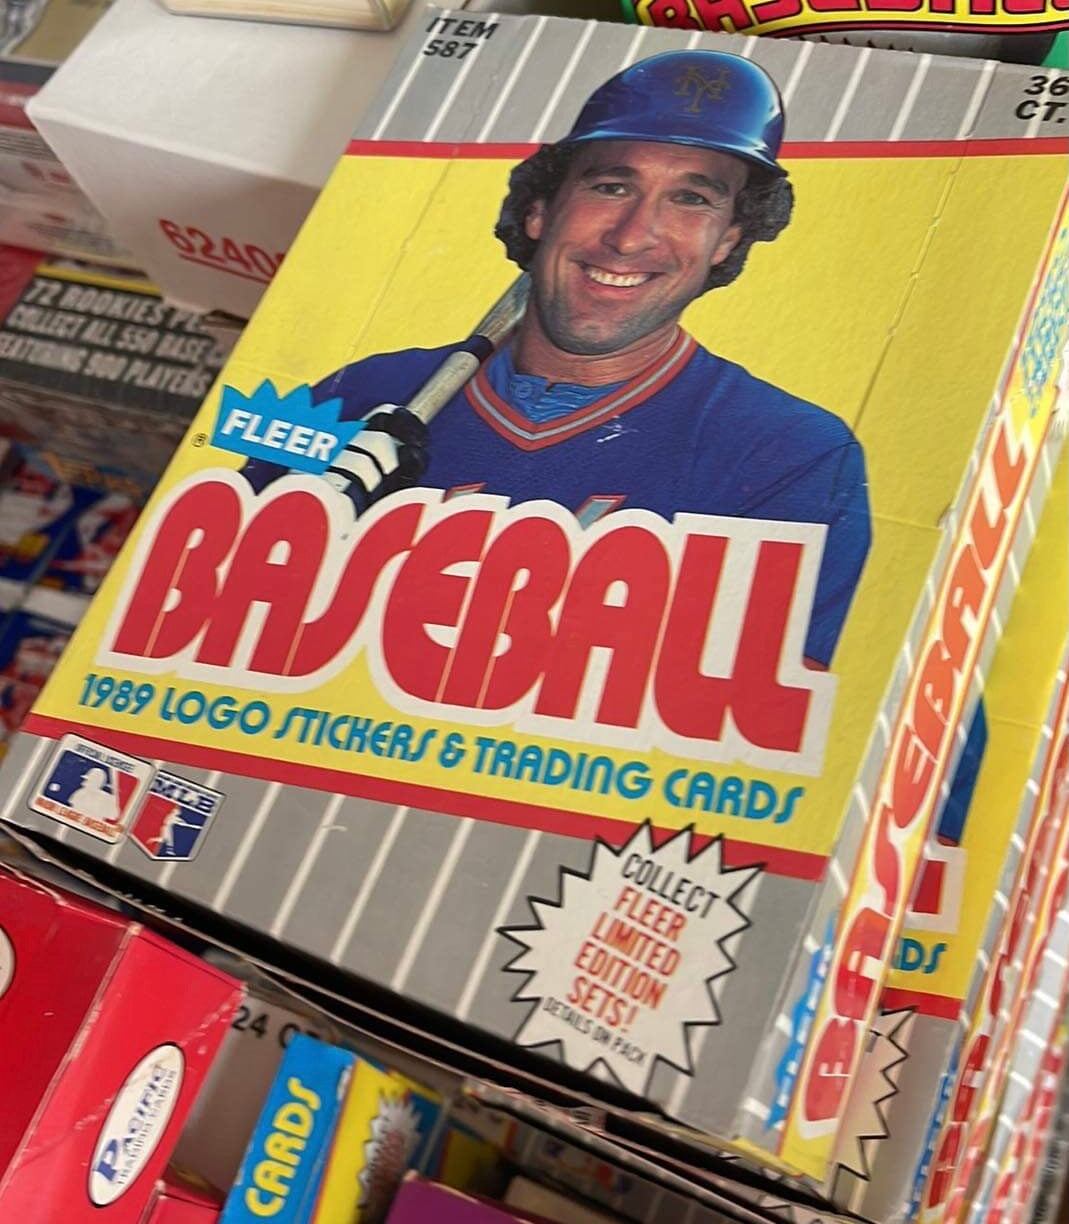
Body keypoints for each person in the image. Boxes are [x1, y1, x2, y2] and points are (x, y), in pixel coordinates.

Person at [244, 49, 871, 669]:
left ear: (726, 241)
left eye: (691, 199)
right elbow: (203, 611)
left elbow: (769, 712)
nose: (631, 236)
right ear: (540, 212)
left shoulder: (794, 457)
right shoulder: (358, 394)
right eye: (611, 187)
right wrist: (301, 538)